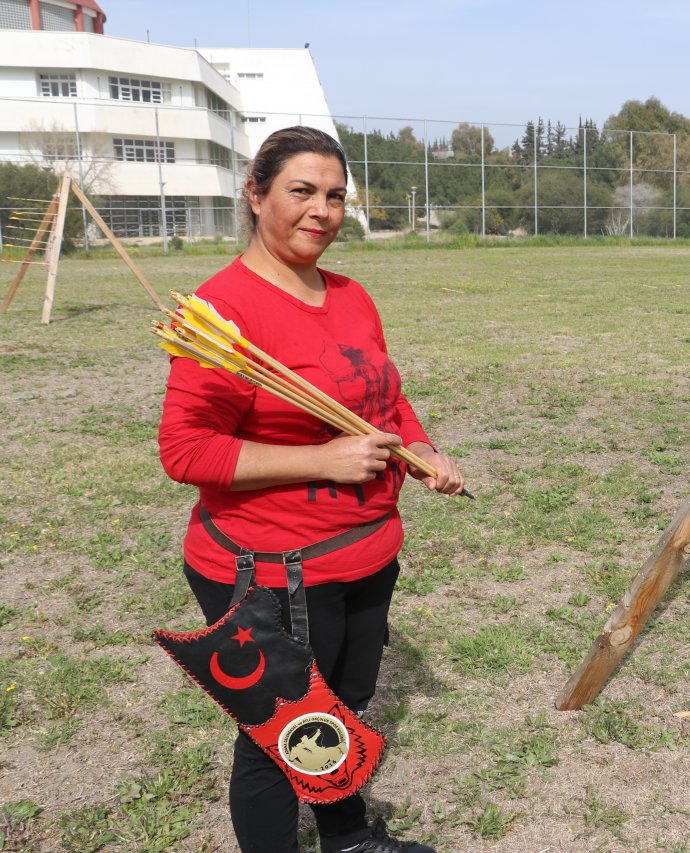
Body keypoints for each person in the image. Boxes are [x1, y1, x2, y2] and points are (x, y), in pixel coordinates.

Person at [159, 126, 460, 853]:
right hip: (272, 570)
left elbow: (381, 398)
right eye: (301, 191)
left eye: (333, 196)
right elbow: (185, 450)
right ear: (256, 194)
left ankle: (350, 838)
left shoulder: (351, 294)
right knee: (280, 736)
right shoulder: (224, 314)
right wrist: (321, 462)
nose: (320, 211)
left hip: (364, 556)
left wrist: (416, 444)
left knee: (344, 708)